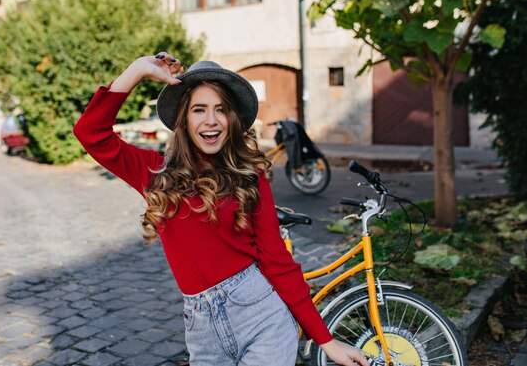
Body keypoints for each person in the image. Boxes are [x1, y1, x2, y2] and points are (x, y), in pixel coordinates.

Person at [73, 52, 369, 366]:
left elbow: (277, 259)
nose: (211, 120)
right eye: (199, 110)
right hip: (201, 329)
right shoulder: (154, 172)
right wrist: (135, 71)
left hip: (262, 317)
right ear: (183, 120)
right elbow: (90, 132)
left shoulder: (249, 175)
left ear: (232, 120)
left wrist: (326, 340)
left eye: (221, 110)